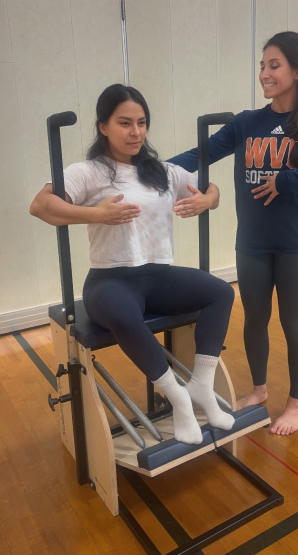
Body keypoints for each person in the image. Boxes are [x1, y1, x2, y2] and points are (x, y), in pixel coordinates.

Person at [170, 31, 298, 436]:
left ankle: (297, 403)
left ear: (297, 71)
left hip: (297, 245)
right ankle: (258, 390)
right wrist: (145, 171)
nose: (264, 74)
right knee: (255, 320)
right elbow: (199, 155)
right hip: (253, 242)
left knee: (295, 324)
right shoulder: (246, 123)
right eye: (262, 66)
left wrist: (289, 181)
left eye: (274, 65)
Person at [30, 83, 236, 445]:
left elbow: (212, 189)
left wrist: (207, 201)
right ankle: (178, 399)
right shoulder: (88, 172)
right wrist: (95, 213)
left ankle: (201, 386)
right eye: (125, 123)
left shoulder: (163, 171)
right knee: (125, 316)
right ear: (103, 127)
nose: (136, 131)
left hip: (157, 276)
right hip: (110, 280)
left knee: (220, 292)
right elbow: (41, 206)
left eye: (141, 123)